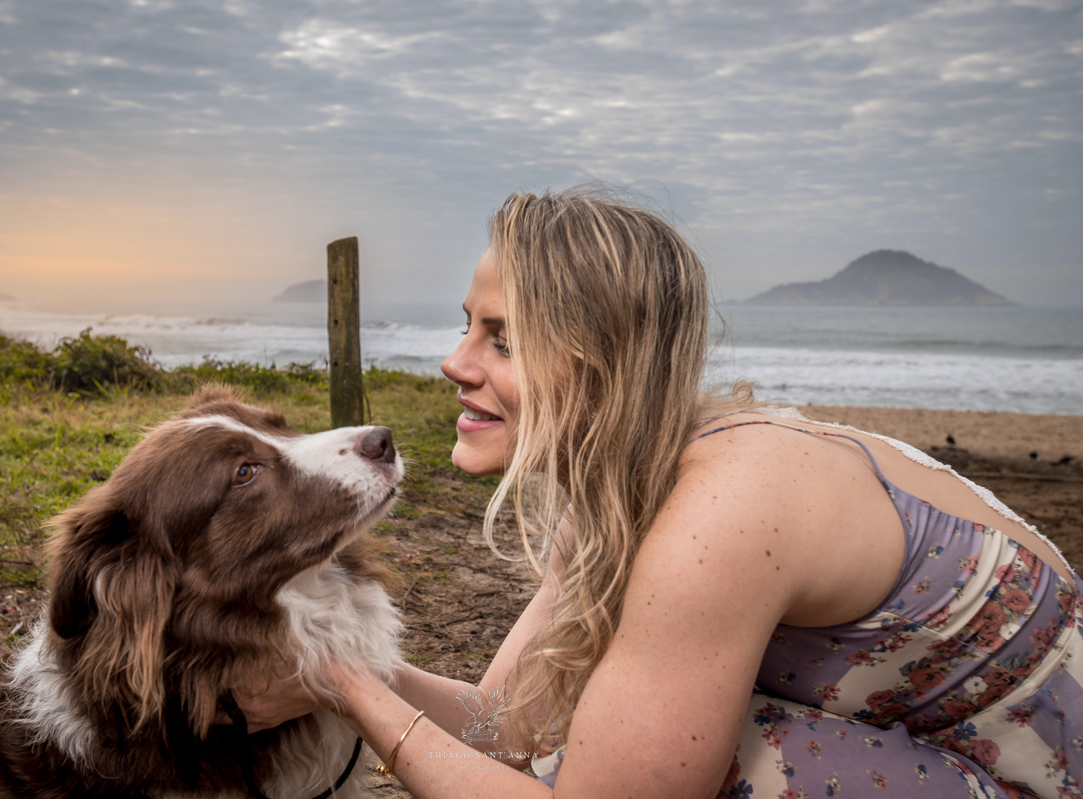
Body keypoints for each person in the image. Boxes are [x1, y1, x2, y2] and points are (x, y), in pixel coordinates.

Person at [237, 187, 1082, 798]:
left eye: (503, 339)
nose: (456, 363)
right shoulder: (624, 489)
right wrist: (339, 668)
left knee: (648, 768)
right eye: (467, 325)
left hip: (1041, 769)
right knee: (581, 741)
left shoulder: (719, 510)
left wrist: (347, 689)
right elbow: (504, 726)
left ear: (603, 365)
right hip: (948, 744)